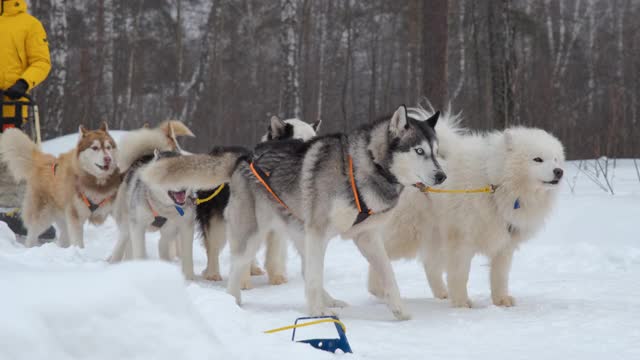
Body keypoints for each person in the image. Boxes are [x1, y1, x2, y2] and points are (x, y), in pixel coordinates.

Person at [0, 0, 53, 240]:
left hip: (11, 104)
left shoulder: (29, 24)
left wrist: (22, 84)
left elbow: (41, 61)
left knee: (10, 158)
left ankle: (11, 210)